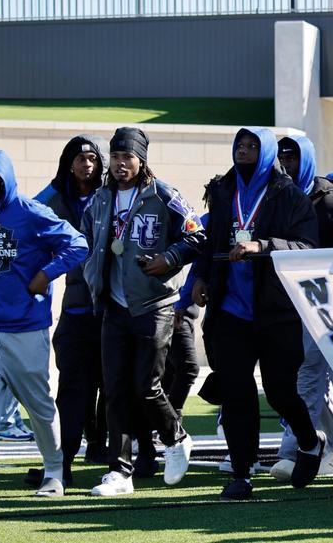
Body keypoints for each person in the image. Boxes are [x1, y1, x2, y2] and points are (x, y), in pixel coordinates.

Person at [0, 149, 88, 507]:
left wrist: (45, 274)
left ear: (2, 178)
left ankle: (55, 473)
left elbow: (77, 244)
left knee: (38, 405)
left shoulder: (31, 212)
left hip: (25, 328)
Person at [193, 128, 327, 499]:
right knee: (236, 390)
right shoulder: (222, 191)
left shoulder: (290, 196)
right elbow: (211, 240)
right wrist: (201, 276)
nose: (245, 151)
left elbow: (307, 247)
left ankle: (309, 440)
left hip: (276, 311)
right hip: (230, 309)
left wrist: (262, 245)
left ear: (266, 152)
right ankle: (242, 472)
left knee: (281, 392)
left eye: (253, 146)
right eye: (240, 145)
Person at [82, 127, 205, 497]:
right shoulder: (99, 200)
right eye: (116, 157)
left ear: (142, 160)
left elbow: (197, 235)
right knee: (115, 390)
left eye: (128, 158)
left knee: (145, 385)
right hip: (113, 306)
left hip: (154, 305)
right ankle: (120, 472)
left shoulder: (163, 195)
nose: (121, 165)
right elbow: (90, 240)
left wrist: (169, 258)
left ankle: (176, 437)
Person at [273, 135, 333, 478]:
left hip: (327, 306)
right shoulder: (278, 199)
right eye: (281, 158)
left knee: (308, 379)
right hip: (287, 306)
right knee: (307, 383)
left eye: (292, 158)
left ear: (306, 158)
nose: (285, 165)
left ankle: (292, 451)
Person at [34, 135, 108, 484]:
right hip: (77, 309)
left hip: (114, 308)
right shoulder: (54, 197)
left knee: (117, 386)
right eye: (80, 159)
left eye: (93, 158)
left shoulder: (111, 193)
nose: (87, 164)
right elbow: (25, 216)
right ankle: (60, 465)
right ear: (68, 162)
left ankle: (119, 460)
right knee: (73, 389)